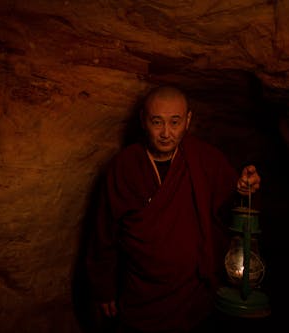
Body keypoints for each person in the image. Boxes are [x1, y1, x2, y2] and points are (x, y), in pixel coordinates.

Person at [86, 85, 261, 333]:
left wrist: (244, 190)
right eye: (157, 122)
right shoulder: (124, 166)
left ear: (188, 120)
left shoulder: (204, 157)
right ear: (143, 121)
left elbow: (232, 210)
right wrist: (103, 289)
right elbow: (104, 233)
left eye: (175, 122)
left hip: (194, 295)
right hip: (141, 294)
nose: (166, 133)